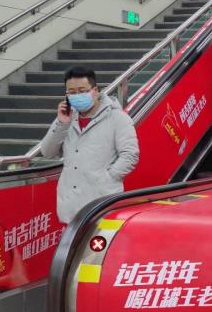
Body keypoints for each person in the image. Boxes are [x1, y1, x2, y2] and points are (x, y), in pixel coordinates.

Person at [40, 67, 139, 224]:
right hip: (70, 208)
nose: (77, 96)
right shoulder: (67, 118)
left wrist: (107, 178)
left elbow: (130, 155)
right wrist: (61, 124)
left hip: (102, 205)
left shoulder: (117, 118)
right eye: (71, 92)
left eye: (82, 90)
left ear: (95, 90)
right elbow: (47, 152)